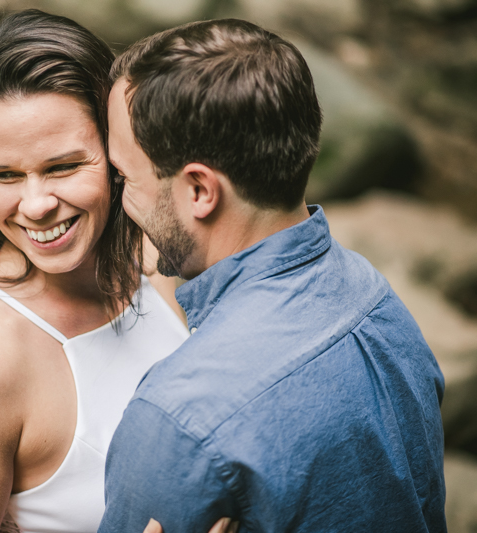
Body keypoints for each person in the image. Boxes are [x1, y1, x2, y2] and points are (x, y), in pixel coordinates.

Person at [101, 18, 446, 532]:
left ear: (199, 191)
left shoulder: (181, 417)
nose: (120, 199)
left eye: (126, 176)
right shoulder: (378, 302)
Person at [0, 10, 192, 533]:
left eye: (62, 167)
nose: (35, 205)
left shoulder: (158, 258)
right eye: (5, 175)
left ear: (116, 151)